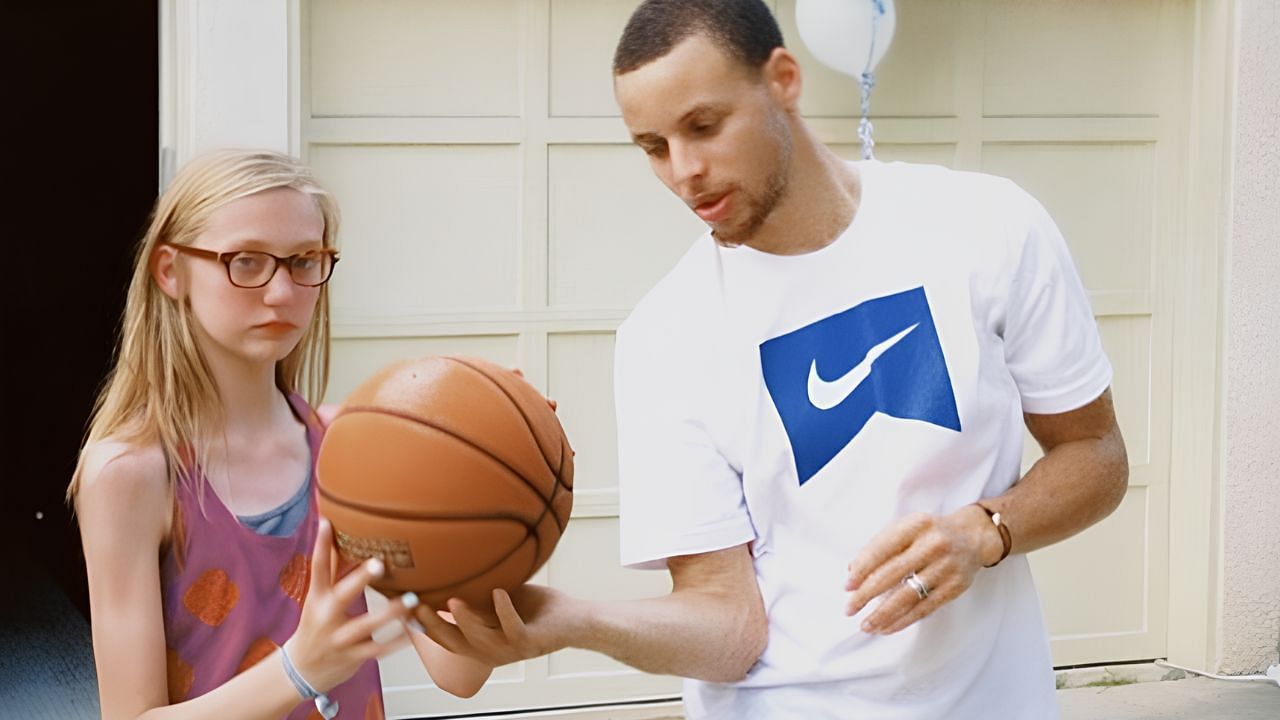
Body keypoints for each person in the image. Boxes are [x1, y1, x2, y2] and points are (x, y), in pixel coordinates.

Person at [415, 1, 1129, 718]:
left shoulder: (987, 227)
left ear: (783, 79)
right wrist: (574, 622)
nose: (684, 172)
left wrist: (984, 532)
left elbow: (1094, 453)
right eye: (653, 147)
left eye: (703, 126)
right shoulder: (664, 337)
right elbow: (729, 625)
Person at [69, 149, 492, 719]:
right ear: (171, 272)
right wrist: (300, 670)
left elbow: (458, 670)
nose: (281, 293)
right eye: (245, 261)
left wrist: (494, 490)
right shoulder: (132, 473)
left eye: (303, 261)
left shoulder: (353, 446)